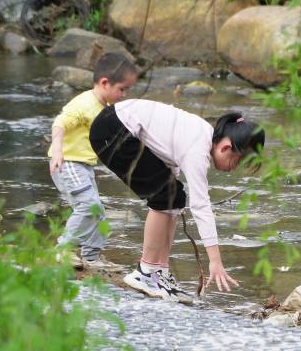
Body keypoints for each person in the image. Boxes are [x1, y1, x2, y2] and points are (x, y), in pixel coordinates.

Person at [89, 99, 265, 302]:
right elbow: (200, 206)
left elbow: (165, 158)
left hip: (116, 125)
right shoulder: (198, 149)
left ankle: (159, 272)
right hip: (111, 130)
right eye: (238, 161)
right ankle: (146, 272)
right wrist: (215, 261)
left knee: (173, 195)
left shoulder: (202, 135)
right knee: (163, 198)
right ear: (226, 147)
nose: (235, 168)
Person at [48, 52, 139, 270]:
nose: (124, 95)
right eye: (122, 89)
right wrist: (58, 150)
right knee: (88, 206)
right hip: (67, 162)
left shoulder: (104, 108)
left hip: (83, 165)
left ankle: (91, 256)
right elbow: (60, 123)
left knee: (97, 210)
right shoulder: (84, 104)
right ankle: (62, 250)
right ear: (105, 83)